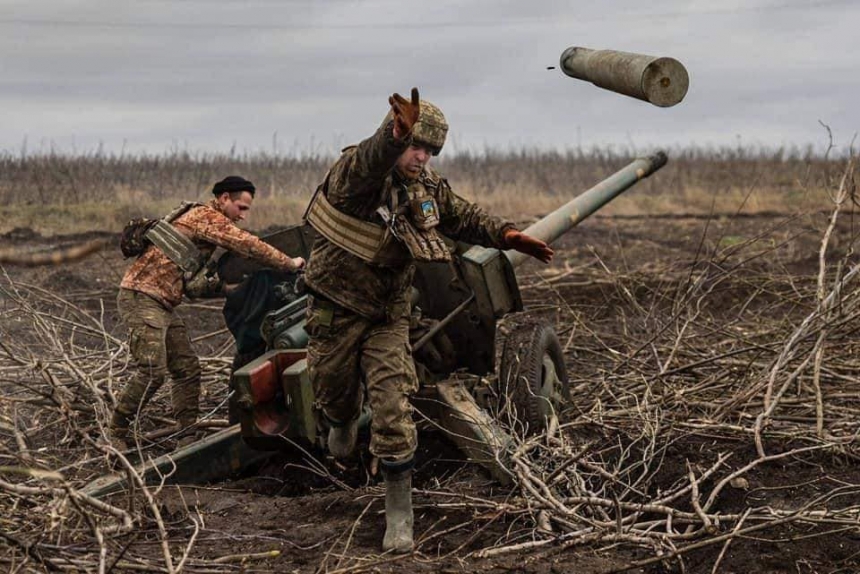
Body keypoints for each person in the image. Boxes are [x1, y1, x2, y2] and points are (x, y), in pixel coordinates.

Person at [302, 88, 553, 553]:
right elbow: (371, 160)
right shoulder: (358, 175)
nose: (422, 157)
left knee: (393, 409)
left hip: (388, 315)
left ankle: (400, 515)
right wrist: (392, 134)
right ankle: (339, 420)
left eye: (430, 151)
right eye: (417, 146)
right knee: (333, 393)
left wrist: (510, 235)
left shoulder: (427, 188)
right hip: (334, 307)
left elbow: (463, 216)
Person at [110, 176, 305, 451]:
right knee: (153, 370)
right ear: (224, 198)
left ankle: (186, 436)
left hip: (162, 303)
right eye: (241, 207)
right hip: (141, 298)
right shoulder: (205, 216)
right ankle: (115, 432)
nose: (243, 216)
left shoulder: (198, 222)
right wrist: (288, 262)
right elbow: (246, 244)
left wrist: (227, 288)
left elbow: (193, 285)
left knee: (187, 368)